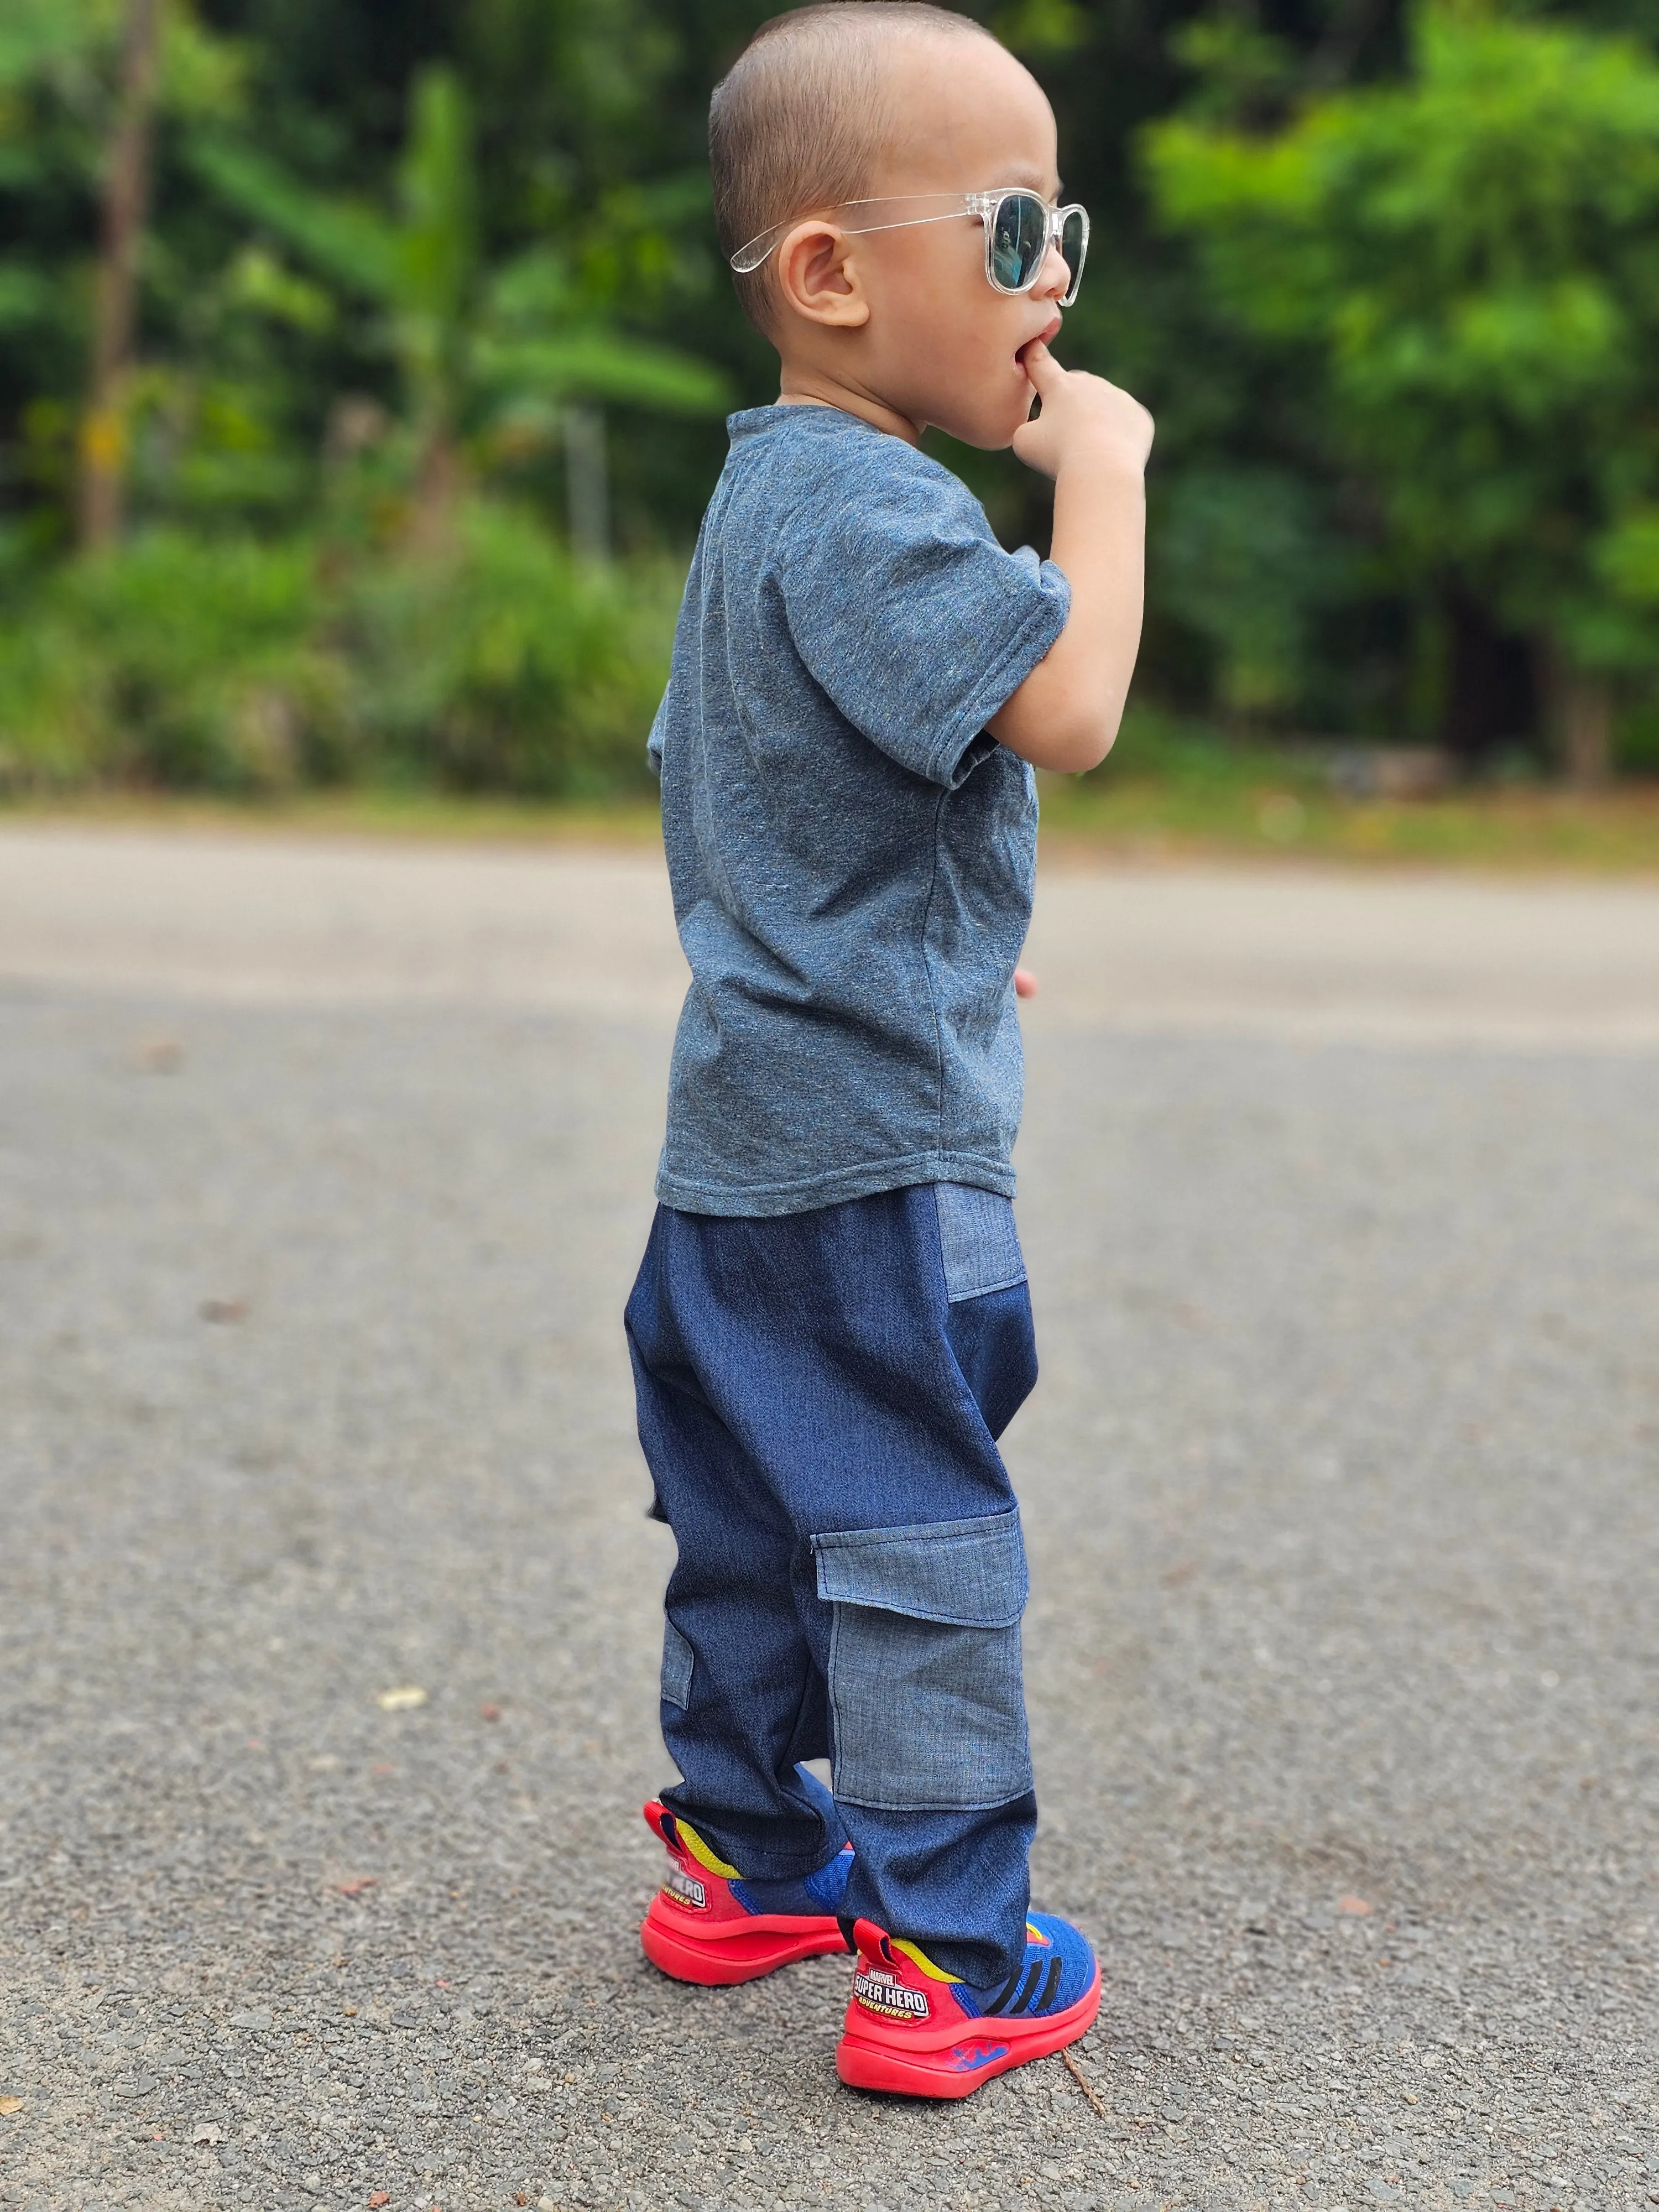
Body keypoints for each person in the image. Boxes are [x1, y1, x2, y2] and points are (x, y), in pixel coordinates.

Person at [624, 0, 1152, 2099]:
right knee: (917, 1527)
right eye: (1018, 230)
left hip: (735, 1153)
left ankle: (747, 1856)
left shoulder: (757, 510)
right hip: (870, 1162)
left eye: (1067, 236)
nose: (1053, 286)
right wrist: (1101, 472)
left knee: (753, 1520)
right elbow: (1068, 709)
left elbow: (751, 798)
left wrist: (930, 947)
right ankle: (952, 1950)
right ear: (833, 274)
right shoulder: (880, 512)